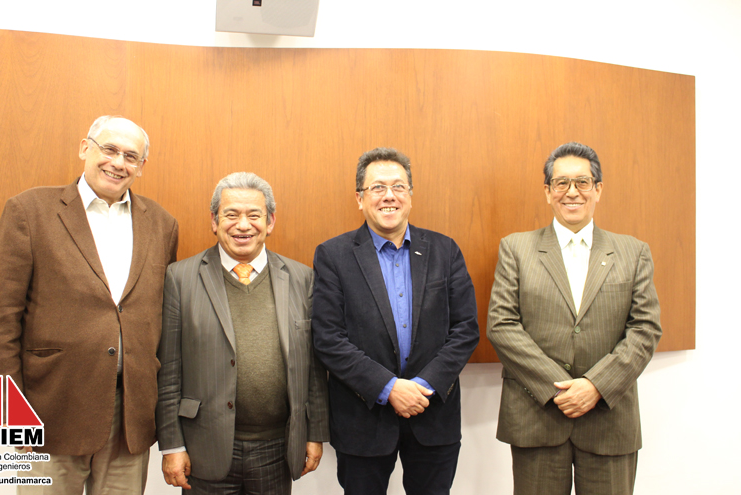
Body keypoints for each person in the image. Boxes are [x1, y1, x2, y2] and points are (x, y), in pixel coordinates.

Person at [0, 115, 179, 493]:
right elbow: (0, 321)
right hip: (50, 410)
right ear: (85, 148)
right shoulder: (29, 210)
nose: (118, 163)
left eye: (131, 156)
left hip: (129, 417)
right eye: (110, 149)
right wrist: (9, 416)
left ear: (141, 166)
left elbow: (162, 322)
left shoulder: (162, 224)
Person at [487, 141, 663, 494]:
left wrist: (595, 386)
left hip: (609, 419)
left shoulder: (633, 252)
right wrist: (559, 388)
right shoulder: (516, 248)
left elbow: (645, 329)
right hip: (537, 416)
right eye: (561, 183)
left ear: (598, 189)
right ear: (547, 191)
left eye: (582, 182)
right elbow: (502, 325)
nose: (572, 192)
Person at [311, 147, 480, 495]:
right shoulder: (333, 255)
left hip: (433, 414)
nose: (389, 196)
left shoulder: (445, 250)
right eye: (377, 187)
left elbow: (465, 330)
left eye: (398, 187)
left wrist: (423, 386)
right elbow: (328, 338)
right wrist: (389, 388)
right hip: (363, 418)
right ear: (360, 198)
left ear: (410, 196)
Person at [156, 172, 330, 495]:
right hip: (204, 444)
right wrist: (171, 445)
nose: (243, 225)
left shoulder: (301, 277)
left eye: (254, 215)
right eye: (231, 214)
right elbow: (168, 373)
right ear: (214, 221)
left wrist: (315, 432)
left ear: (270, 221)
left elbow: (314, 368)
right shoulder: (180, 278)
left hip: (277, 447)